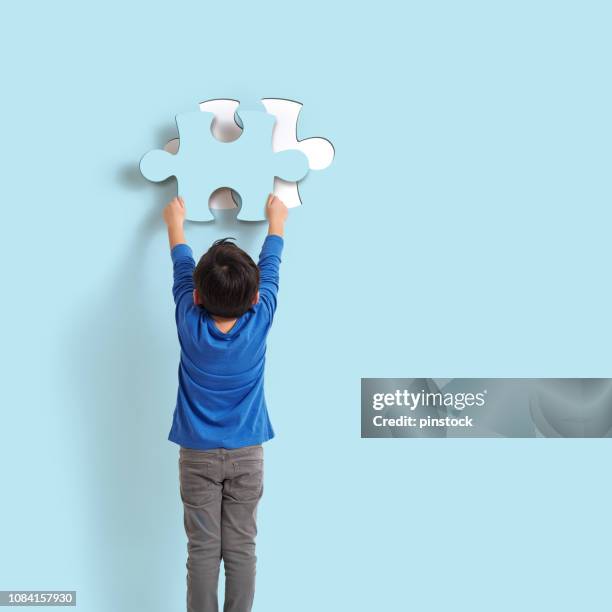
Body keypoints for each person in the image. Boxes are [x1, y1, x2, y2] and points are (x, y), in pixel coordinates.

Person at [162, 194, 288, 612]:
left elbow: (182, 269)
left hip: (196, 456)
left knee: (201, 551)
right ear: (255, 301)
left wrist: (175, 222)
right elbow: (271, 271)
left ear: (196, 297)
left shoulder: (188, 319)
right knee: (241, 550)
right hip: (247, 456)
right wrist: (276, 222)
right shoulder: (260, 320)